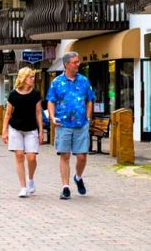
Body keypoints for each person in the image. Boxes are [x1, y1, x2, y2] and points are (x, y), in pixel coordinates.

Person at [47, 51, 95, 200]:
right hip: (63, 124)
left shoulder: (84, 81)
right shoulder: (57, 82)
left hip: (81, 124)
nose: (78, 64)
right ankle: (65, 187)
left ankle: (78, 177)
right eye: (75, 62)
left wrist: (88, 117)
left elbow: (90, 99)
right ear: (67, 64)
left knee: (81, 157)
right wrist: (53, 117)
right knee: (65, 155)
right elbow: (51, 101)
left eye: (78, 61)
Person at [2, 67, 44, 198]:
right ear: (23, 78)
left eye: (33, 77)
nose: (33, 79)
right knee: (19, 156)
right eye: (30, 77)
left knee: (31, 157)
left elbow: (38, 113)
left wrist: (41, 131)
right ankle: (23, 187)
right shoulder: (13, 94)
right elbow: (8, 114)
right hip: (15, 128)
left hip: (31, 129)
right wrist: (4, 131)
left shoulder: (35, 94)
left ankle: (30, 179)